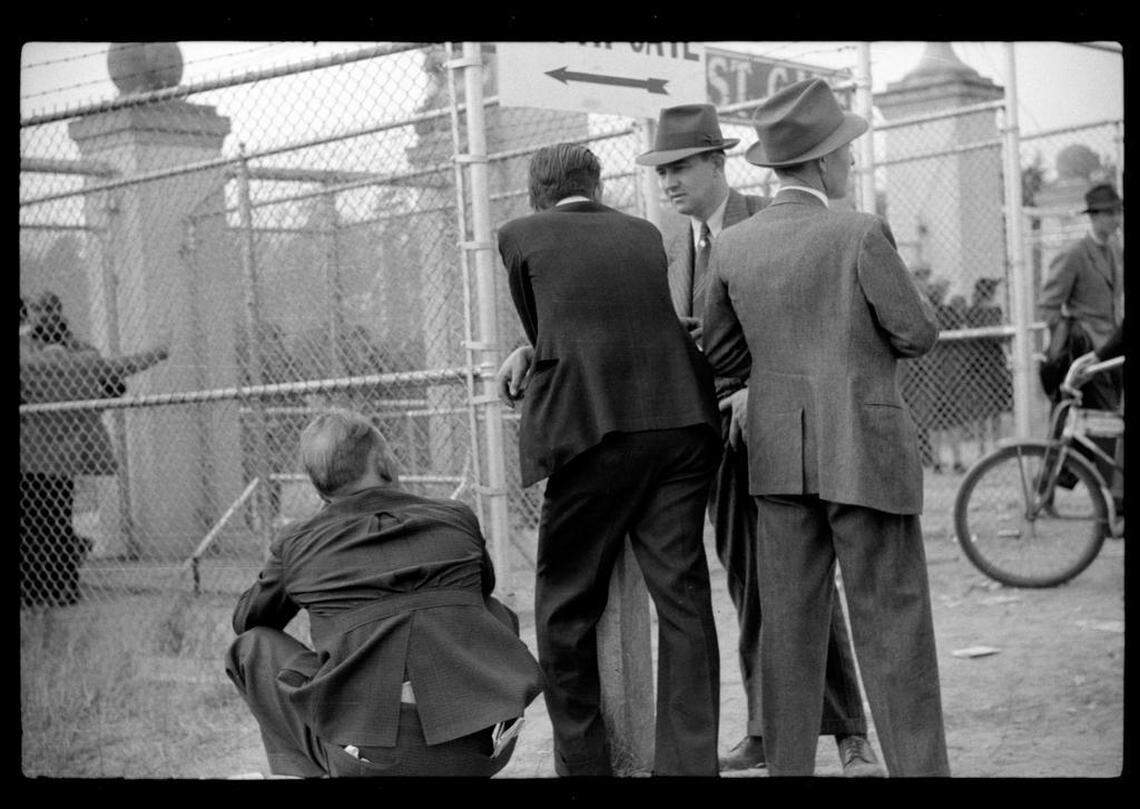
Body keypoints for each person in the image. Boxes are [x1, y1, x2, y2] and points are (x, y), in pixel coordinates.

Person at [701, 78, 951, 777]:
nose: (848, 161)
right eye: (843, 149)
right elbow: (917, 331)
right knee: (893, 629)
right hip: (864, 454)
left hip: (778, 459)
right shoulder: (860, 231)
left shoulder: (735, 245)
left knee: (788, 635)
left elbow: (719, 351)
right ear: (819, 162)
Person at [633, 103, 875, 776]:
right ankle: (766, 728)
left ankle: (852, 731)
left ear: (718, 161)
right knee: (747, 584)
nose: (670, 182)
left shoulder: (771, 220)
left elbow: (809, 326)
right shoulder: (671, 243)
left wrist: (756, 391)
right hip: (711, 444)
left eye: (681, 167)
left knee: (802, 584)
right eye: (661, 171)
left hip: (779, 431)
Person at [495, 143, 723, 776]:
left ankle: (587, 762)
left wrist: (525, 352)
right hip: (680, 423)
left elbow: (549, 326)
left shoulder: (517, 235)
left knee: (564, 604)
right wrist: (533, 346)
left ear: (535, 194)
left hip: (594, 432)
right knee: (682, 596)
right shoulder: (646, 233)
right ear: (596, 188)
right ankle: (686, 766)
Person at [225, 408, 543, 778]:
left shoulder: (298, 542)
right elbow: (482, 588)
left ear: (317, 484)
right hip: (485, 750)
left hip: (371, 761)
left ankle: (307, 772)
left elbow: (248, 621)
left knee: (250, 647)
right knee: (488, 608)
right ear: (382, 461)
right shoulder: (455, 516)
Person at [19, 291, 167, 607]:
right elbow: (115, 373)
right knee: (49, 521)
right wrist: (156, 353)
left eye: (47, 309)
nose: (43, 315)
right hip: (50, 450)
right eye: (38, 309)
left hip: (45, 451)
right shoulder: (82, 355)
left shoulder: (52, 355)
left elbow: (113, 374)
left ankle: (49, 588)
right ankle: (52, 587)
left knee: (44, 521)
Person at [1038, 183, 1124, 511]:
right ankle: (1115, 503)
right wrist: (1069, 337)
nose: (1117, 219)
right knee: (1101, 423)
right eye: (1111, 213)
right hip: (1085, 354)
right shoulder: (1074, 253)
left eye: (1118, 212)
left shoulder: (1114, 249)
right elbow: (1048, 305)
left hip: (1110, 351)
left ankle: (1051, 485)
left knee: (1077, 428)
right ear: (1095, 217)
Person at [963, 277, 1012, 456]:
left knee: (984, 410)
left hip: (979, 363)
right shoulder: (989, 311)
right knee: (991, 410)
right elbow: (997, 335)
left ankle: (983, 449)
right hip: (988, 363)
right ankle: (993, 447)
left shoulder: (973, 311)